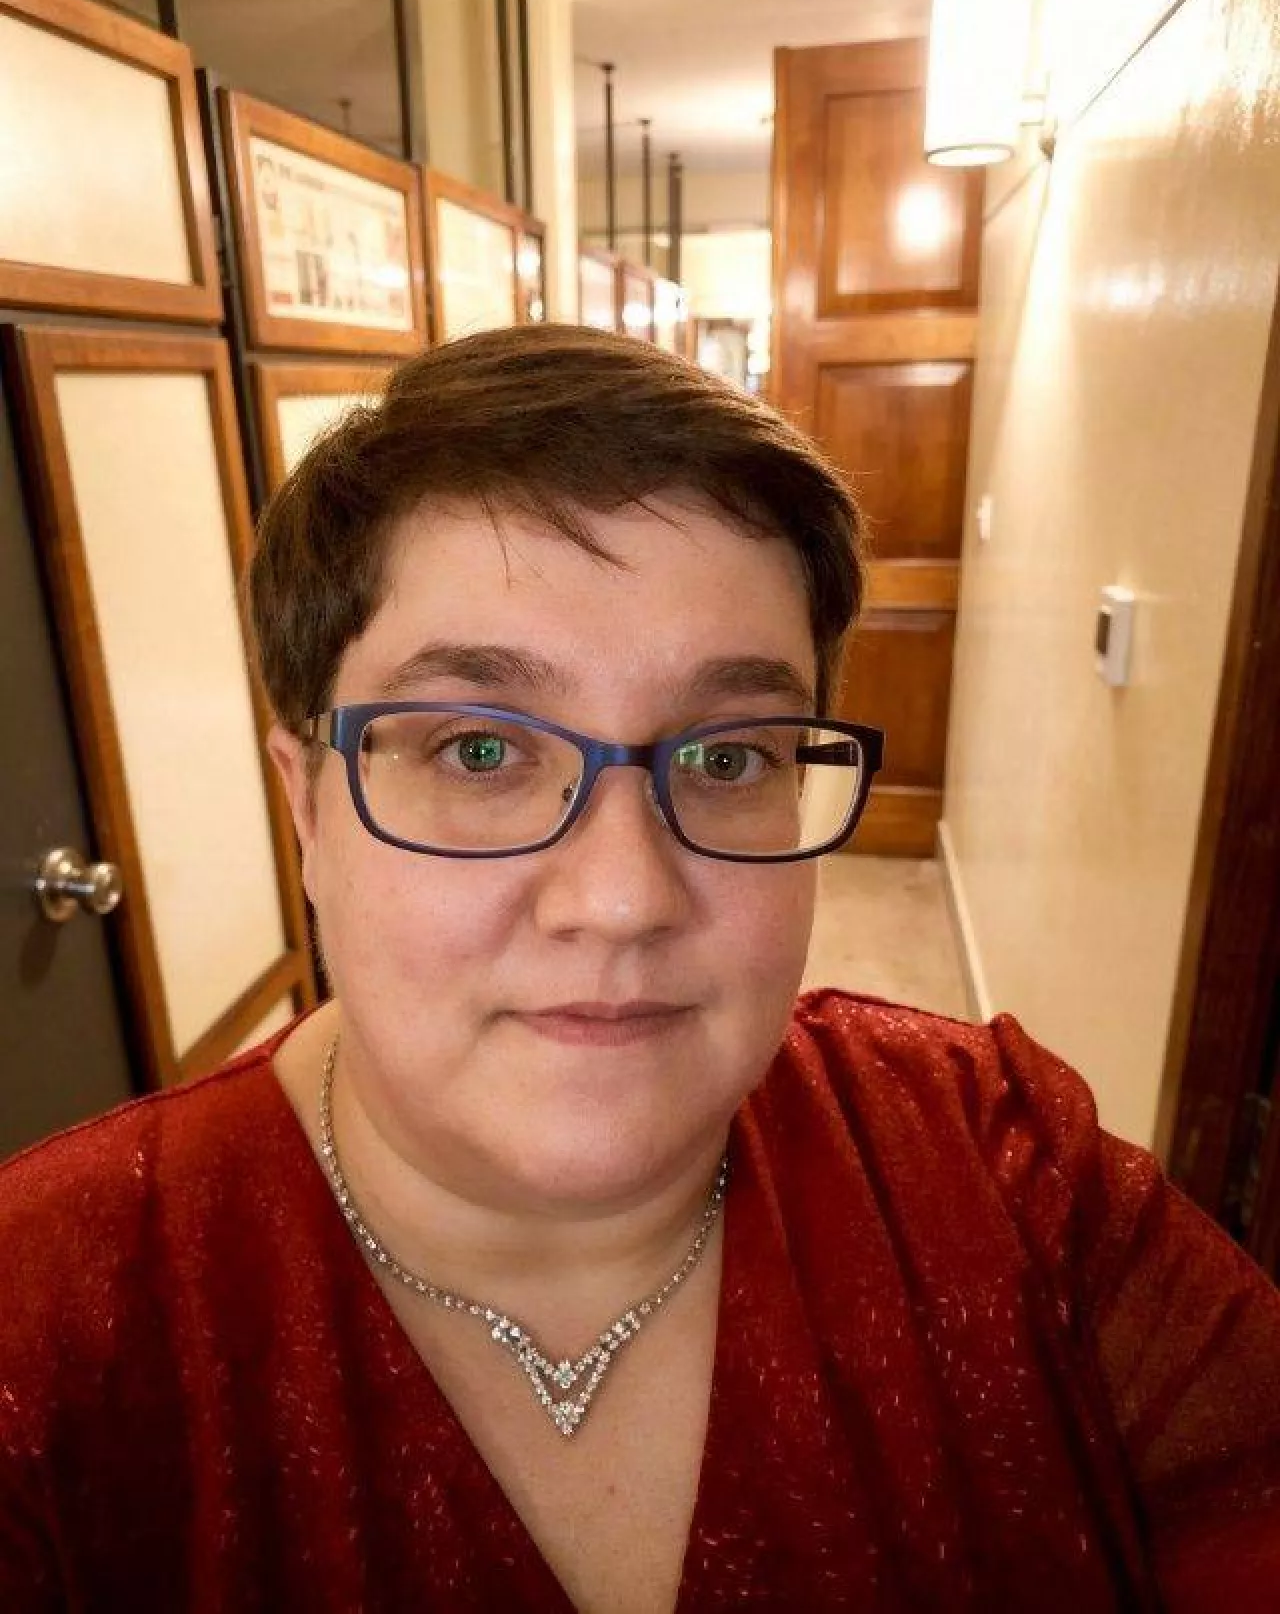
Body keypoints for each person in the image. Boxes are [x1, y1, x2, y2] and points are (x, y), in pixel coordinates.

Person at [1, 325, 1278, 1612]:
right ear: (308, 807)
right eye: (479, 751)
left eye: (727, 757)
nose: (620, 898)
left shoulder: (1007, 1176)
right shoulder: (46, 1321)